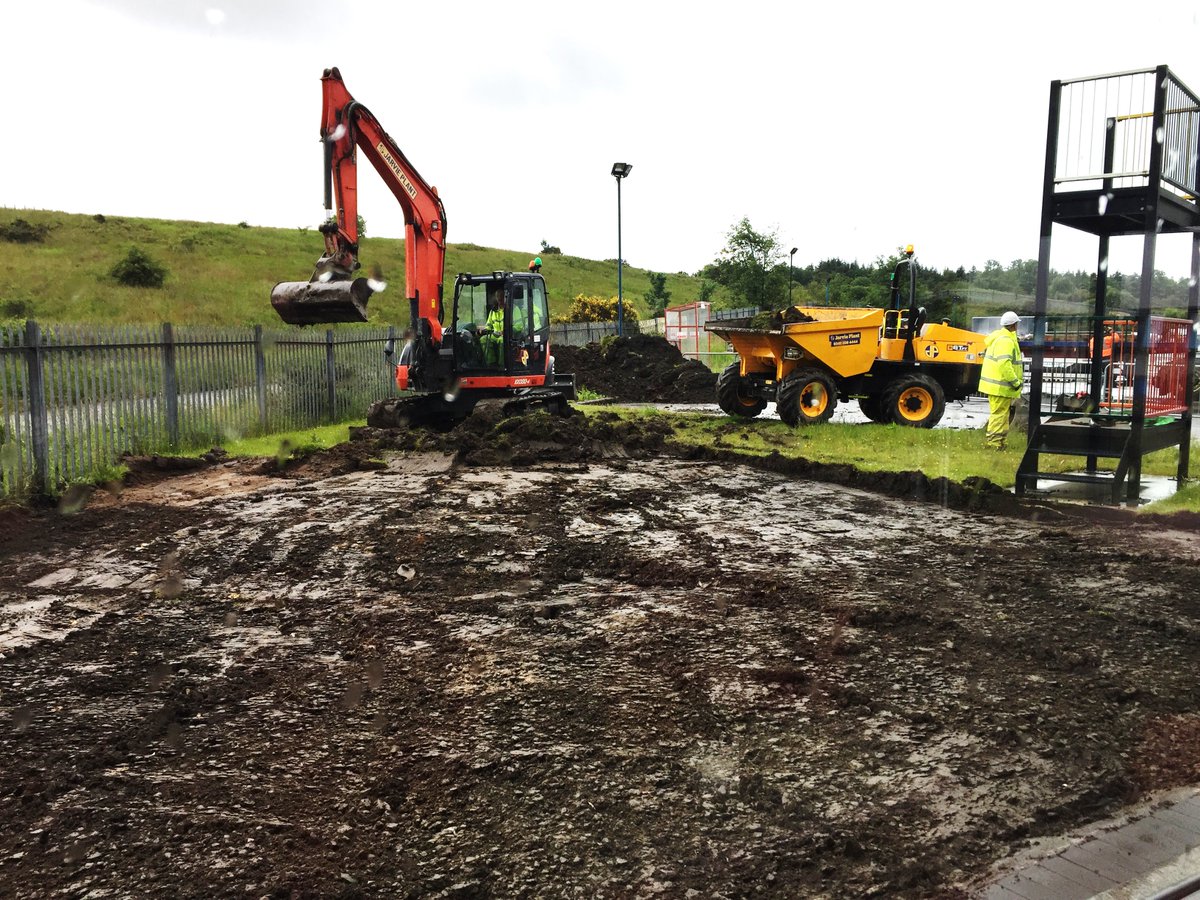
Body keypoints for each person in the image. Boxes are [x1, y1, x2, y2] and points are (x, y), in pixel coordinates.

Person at [979, 311, 1024, 450]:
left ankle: (999, 442)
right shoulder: (1005, 340)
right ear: (1014, 325)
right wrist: (1015, 382)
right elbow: (1004, 364)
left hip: (998, 387)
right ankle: (994, 444)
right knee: (999, 415)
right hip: (1000, 387)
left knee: (1002, 415)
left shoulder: (1001, 337)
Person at [480, 289, 505, 366]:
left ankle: (502, 365)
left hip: (507, 335)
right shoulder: (493, 311)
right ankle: (491, 364)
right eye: (498, 297)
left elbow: (518, 325)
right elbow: (489, 325)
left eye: (502, 296)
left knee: (502, 341)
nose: (500, 298)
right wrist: (484, 330)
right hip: (495, 335)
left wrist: (506, 332)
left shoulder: (512, 309)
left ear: (505, 297)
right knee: (483, 339)